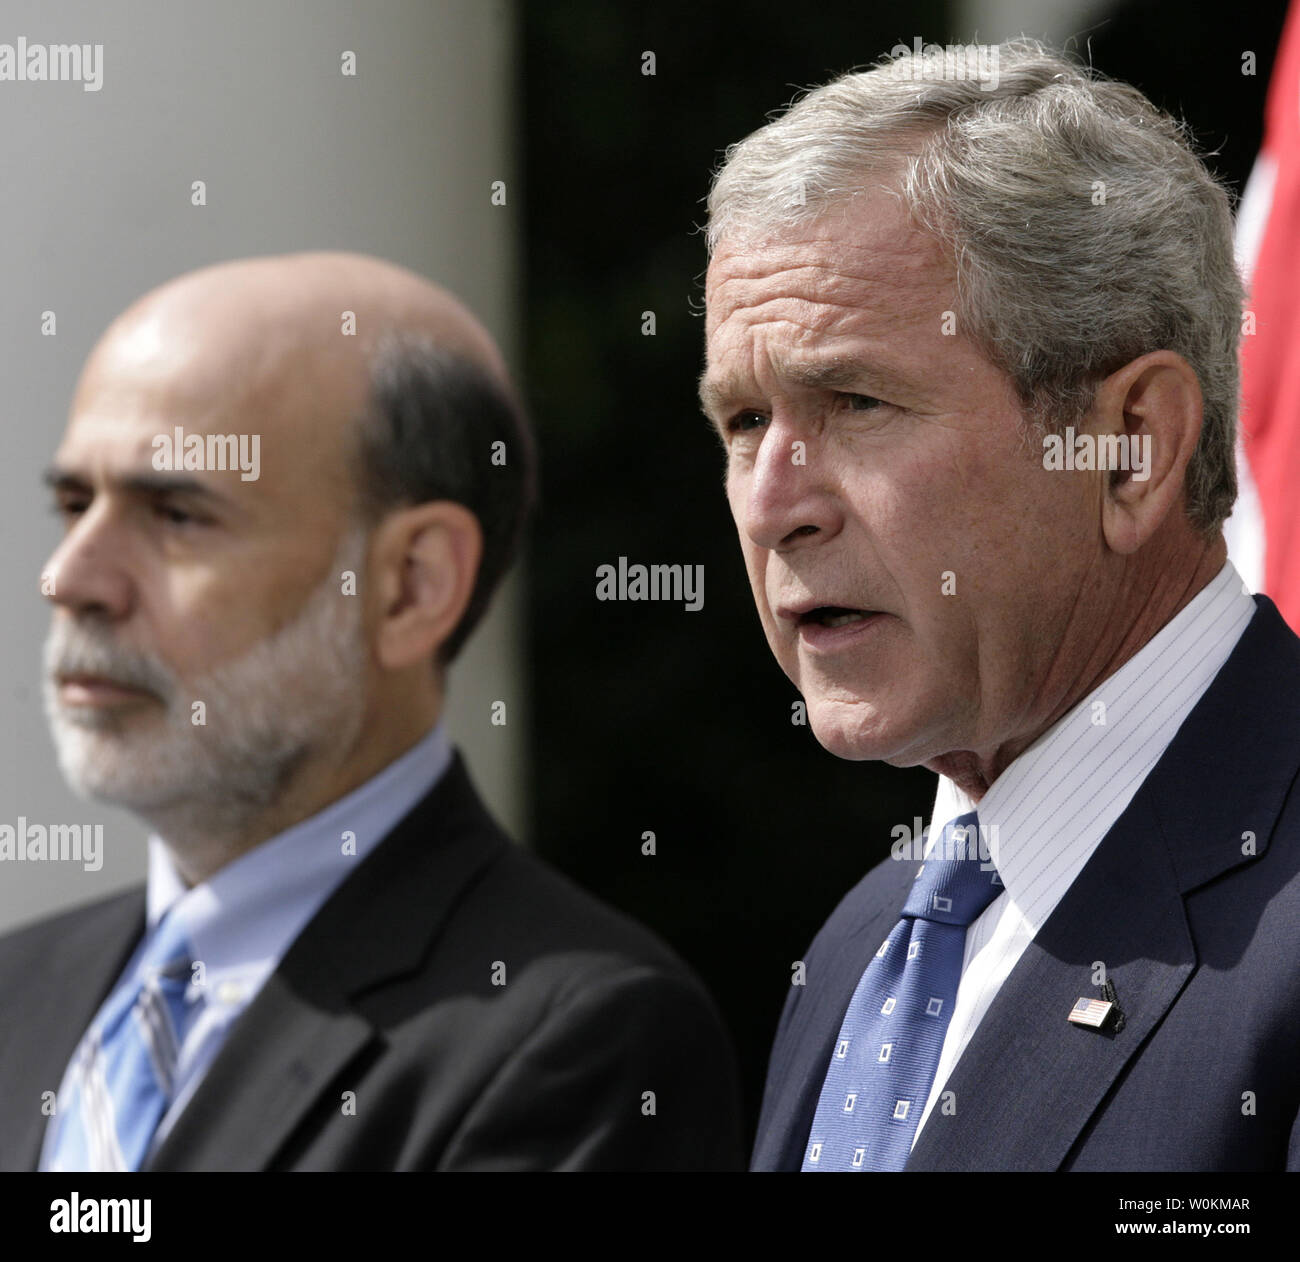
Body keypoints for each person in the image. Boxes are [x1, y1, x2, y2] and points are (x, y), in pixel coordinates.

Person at [0, 251, 743, 1171]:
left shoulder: (579, 1038)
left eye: (177, 515)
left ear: (409, 586)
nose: (71, 578)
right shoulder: (18, 991)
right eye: (75, 502)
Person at [699, 39, 1300, 1171]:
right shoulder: (860, 947)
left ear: (1130, 449)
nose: (773, 502)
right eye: (741, 422)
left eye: (857, 400)